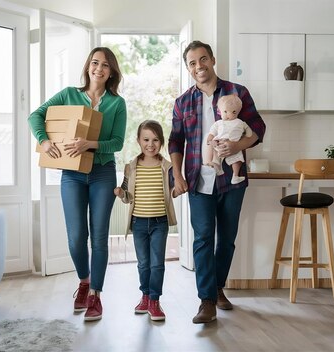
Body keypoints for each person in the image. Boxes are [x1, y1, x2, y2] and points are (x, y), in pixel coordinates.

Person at [168, 40, 266, 324]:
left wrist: (239, 147)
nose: (199, 66)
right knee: (202, 239)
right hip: (198, 179)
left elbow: (258, 128)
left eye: (203, 59)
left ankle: (218, 288)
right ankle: (206, 300)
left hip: (233, 181)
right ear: (188, 68)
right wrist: (177, 175)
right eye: (192, 63)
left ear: (212, 59)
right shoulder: (182, 102)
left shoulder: (238, 92)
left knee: (227, 240)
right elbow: (175, 140)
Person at [28, 47, 126, 322]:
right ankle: (84, 281)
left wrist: (89, 144)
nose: (99, 68)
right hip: (71, 174)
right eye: (94, 63)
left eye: (105, 65)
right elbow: (35, 115)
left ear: (111, 71)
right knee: (75, 237)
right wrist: (44, 140)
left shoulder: (117, 103)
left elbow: (117, 143)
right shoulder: (69, 94)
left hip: (103, 173)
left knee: (99, 237)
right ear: (87, 67)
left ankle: (96, 294)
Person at [114, 120, 177, 322]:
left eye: (155, 140)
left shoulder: (167, 167)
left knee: (157, 264)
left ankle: (155, 300)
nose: (151, 144)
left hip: (160, 222)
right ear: (138, 141)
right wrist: (120, 193)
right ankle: (145, 296)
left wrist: (180, 189)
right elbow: (127, 196)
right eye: (146, 139)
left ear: (162, 142)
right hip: (139, 223)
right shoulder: (130, 167)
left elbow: (173, 190)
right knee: (143, 264)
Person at [206, 94, 252, 184]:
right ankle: (217, 165)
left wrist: (247, 136)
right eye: (225, 111)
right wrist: (210, 141)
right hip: (219, 143)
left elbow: (248, 131)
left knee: (237, 161)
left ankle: (235, 176)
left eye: (233, 112)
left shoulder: (240, 122)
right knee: (216, 153)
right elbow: (211, 133)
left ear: (237, 112)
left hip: (234, 147)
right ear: (220, 112)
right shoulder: (218, 123)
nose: (228, 115)